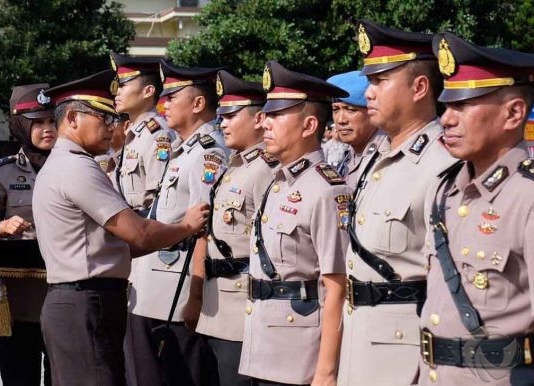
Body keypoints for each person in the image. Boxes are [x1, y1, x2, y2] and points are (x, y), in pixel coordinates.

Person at [32, 70, 209, 386]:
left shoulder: (65, 163)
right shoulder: (77, 167)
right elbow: (137, 232)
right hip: (86, 303)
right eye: (102, 118)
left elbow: (122, 246)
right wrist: (186, 226)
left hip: (80, 301)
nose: (112, 127)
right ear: (72, 119)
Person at [337, 20, 457, 386]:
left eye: (379, 81)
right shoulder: (381, 157)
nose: (368, 94)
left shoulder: (442, 165)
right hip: (360, 342)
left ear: (420, 87)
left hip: (404, 360)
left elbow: (451, 288)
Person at [418, 32, 534, 386]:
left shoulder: (526, 198)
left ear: (513, 113)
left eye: (464, 105)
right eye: (446, 105)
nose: (447, 119)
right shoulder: (444, 191)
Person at [238, 60, 350, 385]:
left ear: (309, 125)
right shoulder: (279, 181)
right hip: (263, 346)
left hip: (298, 358)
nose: (264, 124)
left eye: (276, 116)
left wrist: (326, 371)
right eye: (266, 115)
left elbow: (337, 284)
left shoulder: (326, 190)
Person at [125, 60, 228, 386]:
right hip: (153, 287)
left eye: (172, 97)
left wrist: (194, 298)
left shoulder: (207, 154)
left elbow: (204, 230)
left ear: (198, 103)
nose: (163, 104)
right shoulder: (186, 149)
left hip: (175, 290)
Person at [182, 70, 273, 386]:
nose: (222, 123)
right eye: (221, 116)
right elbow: (208, 234)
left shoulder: (265, 170)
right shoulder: (234, 166)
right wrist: (195, 298)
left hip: (241, 311)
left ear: (259, 119)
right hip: (214, 306)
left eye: (232, 116)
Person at [0, 83, 55, 386]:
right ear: (21, 125)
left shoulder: (75, 167)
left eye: (52, 120)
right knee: (17, 378)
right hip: (15, 303)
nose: (48, 129)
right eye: (38, 122)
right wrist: (1, 228)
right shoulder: (1, 173)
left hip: (61, 299)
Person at [109, 52, 174, 217]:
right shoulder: (136, 132)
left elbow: (158, 198)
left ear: (148, 91)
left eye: (123, 85)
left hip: (145, 225)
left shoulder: (157, 134)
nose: (117, 92)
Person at [327, 71, 385, 186]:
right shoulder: (348, 156)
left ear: (371, 111)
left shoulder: (385, 155)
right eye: (335, 110)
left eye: (350, 110)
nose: (340, 120)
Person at [96, 113, 130, 185]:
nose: (109, 128)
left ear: (127, 126)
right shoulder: (101, 157)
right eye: (107, 123)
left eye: (114, 123)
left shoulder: (133, 157)